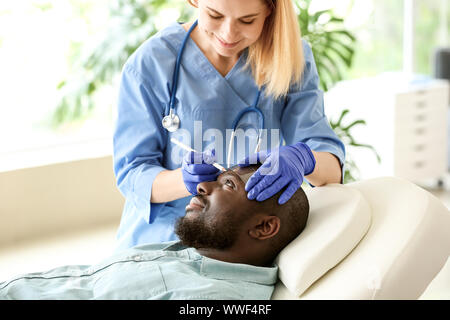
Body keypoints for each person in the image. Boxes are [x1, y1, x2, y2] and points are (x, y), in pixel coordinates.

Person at [113, 0, 344, 251]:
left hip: (243, 247)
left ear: (271, 10)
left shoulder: (289, 58)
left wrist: (304, 160)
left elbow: (331, 169)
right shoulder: (153, 62)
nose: (228, 33)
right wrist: (185, 179)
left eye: (247, 20)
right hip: (160, 241)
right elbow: (132, 174)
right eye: (214, 15)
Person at [0, 165, 309, 300]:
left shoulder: (213, 297)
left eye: (228, 185)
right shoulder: (190, 256)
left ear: (264, 227)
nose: (202, 185)